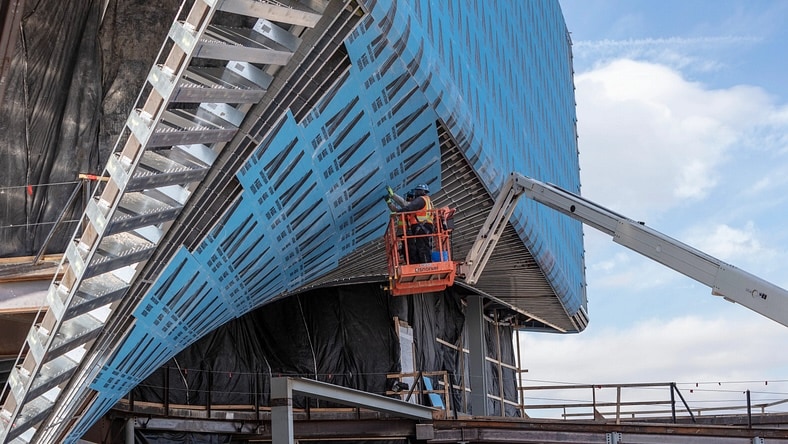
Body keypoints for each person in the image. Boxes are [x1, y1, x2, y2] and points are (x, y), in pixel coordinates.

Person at [385, 183, 434, 264]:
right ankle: (421, 263)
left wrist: (393, 196)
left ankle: (424, 264)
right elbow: (399, 210)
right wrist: (390, 203)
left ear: (421, 191)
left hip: (420, 227)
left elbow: (406, 206)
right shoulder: (427, 201)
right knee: (419, 247)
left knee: (420, 247)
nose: (411, 198)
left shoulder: (420, 200)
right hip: (421, 228)